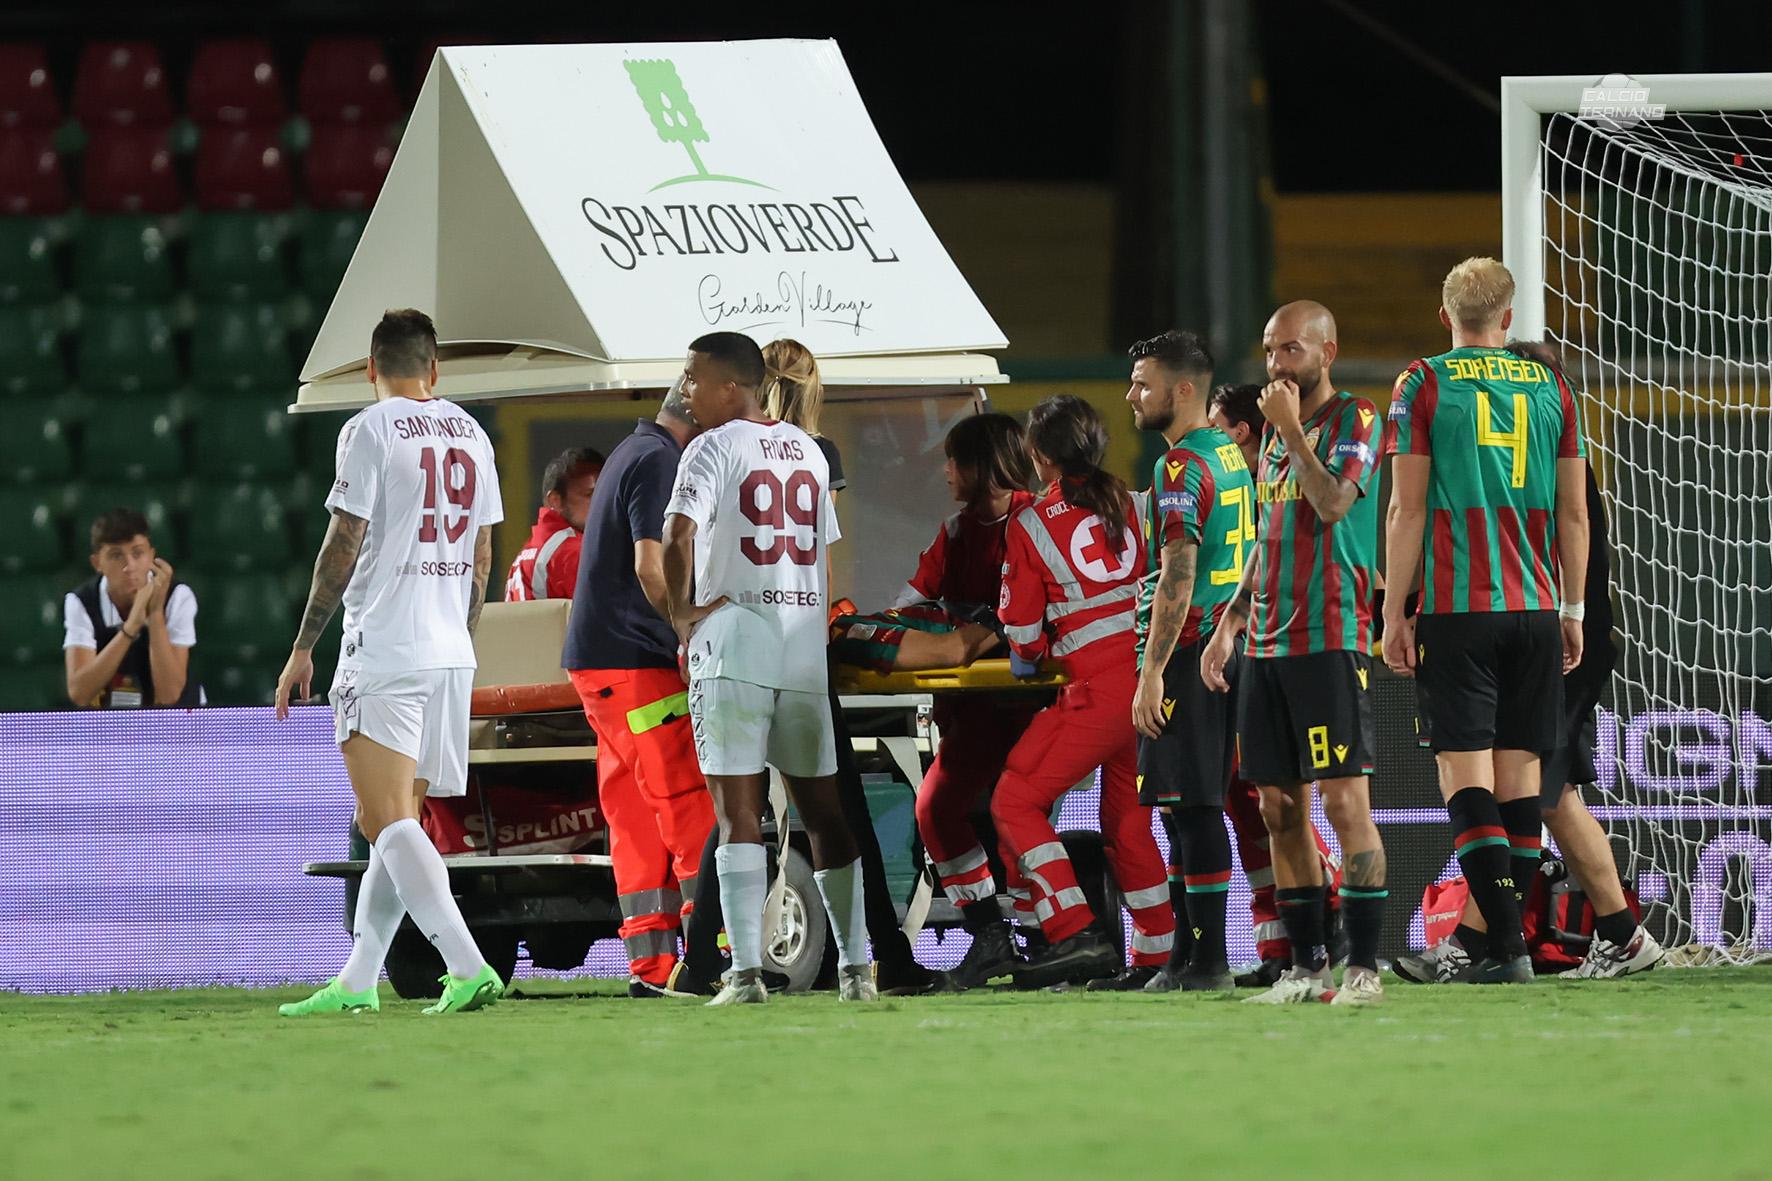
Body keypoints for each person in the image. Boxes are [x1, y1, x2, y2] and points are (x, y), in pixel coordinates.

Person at [1393, 337, 1662, 983]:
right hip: (1560, 633)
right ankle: (1617, 935)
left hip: (1557, 637)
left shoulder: (1526, 470)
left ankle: (1483, 941)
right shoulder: (1548, 459)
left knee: (1536, 792)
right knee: (1545, 795)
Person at [274, 308, 505, 1016]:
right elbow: (483, 555)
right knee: (393, 814)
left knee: (386, 820)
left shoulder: (369, 428)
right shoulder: (472, 432)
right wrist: (459, 640)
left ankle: (468, 965)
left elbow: (344, 540)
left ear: (372, 368)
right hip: (447, 652)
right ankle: (356, 979)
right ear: (434, 370)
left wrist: (303, 644)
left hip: (385, 645)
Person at [1380, 260, 1590, 987]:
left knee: (1464, 781)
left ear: (1446, 318)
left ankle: (1505, 944)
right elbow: (1574, 511)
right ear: (1508, 317)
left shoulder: (1422, 381)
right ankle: (1501, 946)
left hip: (1459, 608)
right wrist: (1572, 608)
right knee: (1520, 785)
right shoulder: (1555, 385)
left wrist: (1392, 610)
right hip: (1534, 610)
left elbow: (1407, 509)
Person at [661, 331, 874, 1005]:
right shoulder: (808, 452)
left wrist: (681, 612)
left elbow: (676, 535)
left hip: (736, 646)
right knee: (825, 812)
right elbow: (822, 555)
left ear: (731, 385)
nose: (687, 389)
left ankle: (748, 973)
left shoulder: (711, 447)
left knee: (739, 814)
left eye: (695, 377)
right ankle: (857, 970)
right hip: (802, 648)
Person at [1201, 300, 1388, 1006]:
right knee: (1278, 806)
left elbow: (1333, 502)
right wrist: (1229, 625)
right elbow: (1267, 538)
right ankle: (1307, 969)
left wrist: (1289, 432)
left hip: (1329, 634)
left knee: (1344, 803)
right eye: (1270, 350)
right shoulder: (1276, 441)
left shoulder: (1355, 419)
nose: (1277, 364)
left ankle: (1364, 967)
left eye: (1290, 350)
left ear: (1327, 350)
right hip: (1267, 641)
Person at [988, 394, 1176, 989]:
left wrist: (1029, 658)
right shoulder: (1135, 503)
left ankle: (1075, 932)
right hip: (1151, 683)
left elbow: (1022, 634)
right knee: (1127, 820)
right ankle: (1157, 956)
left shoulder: (1030, 522)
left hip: (1096, 690)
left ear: (1040, 456)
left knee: (1014, 800)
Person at [875, 413, 1041, 990]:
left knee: (1017, 811)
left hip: (1035, 708)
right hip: (972, 712)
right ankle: (992, 937)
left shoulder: (1038, 520)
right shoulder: (954, 532)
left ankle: (1045, 939)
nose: (945, 472)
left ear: (983, 466)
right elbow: (911, 601)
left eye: (953, 461)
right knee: (935, 810)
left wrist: (980, 628)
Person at [562, 382, 716, 996]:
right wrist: (688, 625)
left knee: (634, 814)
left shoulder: (632, 451)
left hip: (601, 668)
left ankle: (653, 966)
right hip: (637, 663)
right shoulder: (660, 462)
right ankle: (714, 957)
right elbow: (651, 567)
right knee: (686, 804)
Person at [1125, 332, 1252, 993]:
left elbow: (1179, 569)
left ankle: (1208, 961)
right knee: (1183, 808)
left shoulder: (1177, 468)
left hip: (1192, 650)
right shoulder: (1230, 453)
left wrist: (1152, 668)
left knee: (1193, 807)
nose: (1131, 396)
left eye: (1142, 384)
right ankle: (1187, 955)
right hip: (1231, 649)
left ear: (1181, 391)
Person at [1208, 382, 1345, 986]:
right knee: (1259, 805)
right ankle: (1283, 945)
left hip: (1301, 642)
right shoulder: (1254, 472)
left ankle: (1333, 917)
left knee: (1318, 804)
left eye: (1219, 425)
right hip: (1249, 645)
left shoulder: (1203, 474)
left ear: (1240, 431)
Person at [63, 508, 200, 708]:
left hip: (177, 723)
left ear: (151, 555)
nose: (130, 566)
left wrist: (154, 614)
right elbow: (79, 694)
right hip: (111, 726)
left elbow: (170, 695)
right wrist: (131, 627)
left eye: (138, 553)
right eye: (116, 555)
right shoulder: (81, 602)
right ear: (97, 563)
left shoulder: (178, 597)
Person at [504, 446, 603, 602]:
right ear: (555, 500)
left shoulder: (528, 550)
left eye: (603, 494)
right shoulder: (573, 552)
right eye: (590, 495)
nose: (601, 504)